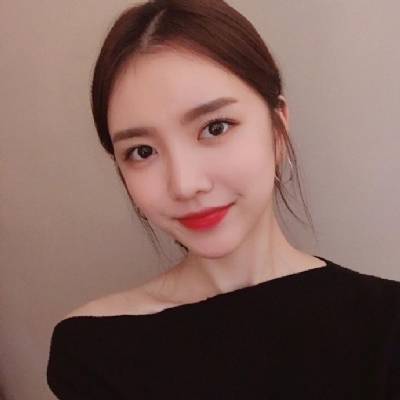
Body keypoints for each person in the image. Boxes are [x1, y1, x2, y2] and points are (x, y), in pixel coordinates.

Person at [47, 0, 400, 398]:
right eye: (142, 151)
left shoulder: (386, 325)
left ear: (277, 128)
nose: (185, 184)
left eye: (215, 127)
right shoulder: (94, 349)